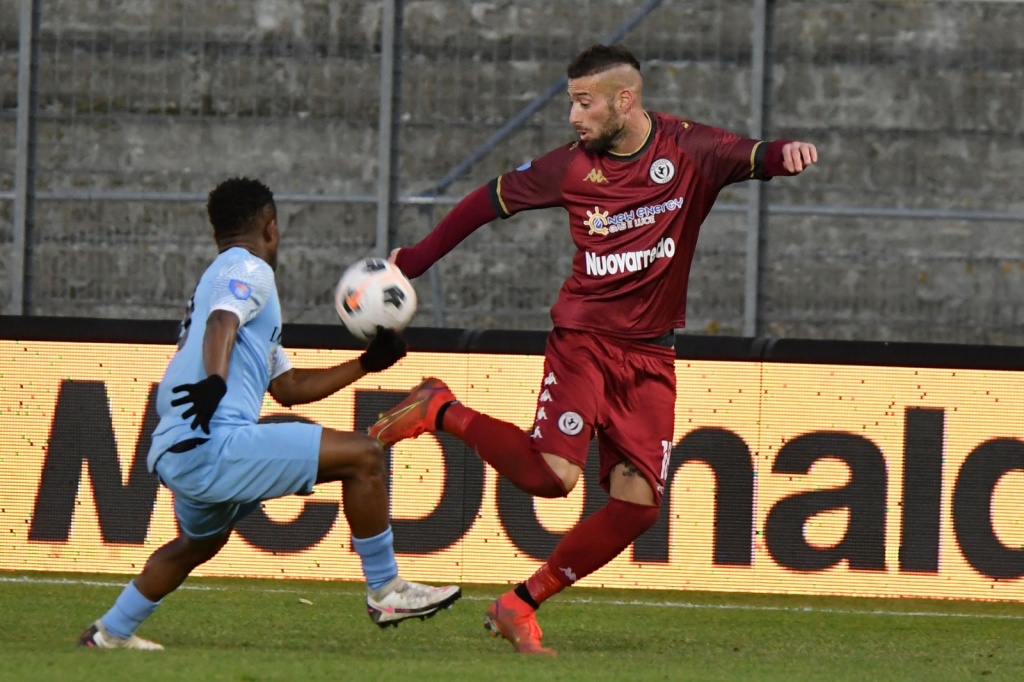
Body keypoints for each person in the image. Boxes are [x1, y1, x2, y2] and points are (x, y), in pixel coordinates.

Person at [368, 44, 818, 656]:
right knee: (554, 479)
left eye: (585, 103)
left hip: (652, 356)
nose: (574, 117)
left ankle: (517, 605)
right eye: (572, 103)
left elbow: (758, 155)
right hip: (585, 341)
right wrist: (415, 260)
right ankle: (441, 409)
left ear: (624, 100)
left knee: (638, 508)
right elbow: (488, 200)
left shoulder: (690, 149)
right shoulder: (571, 167)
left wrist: (787, 156)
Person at [79, 177, 461, 650]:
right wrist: (216, 382)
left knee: (197, 545)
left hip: (181, 447)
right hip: (212, 441)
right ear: (270, 227)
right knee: (364, 456)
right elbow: (223, 323)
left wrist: (366, 364)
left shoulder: (226, 279)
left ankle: (109, 633)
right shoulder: (248, 270)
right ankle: (386, 590)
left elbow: (289, 388)